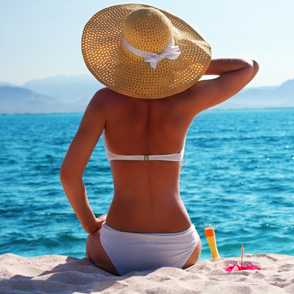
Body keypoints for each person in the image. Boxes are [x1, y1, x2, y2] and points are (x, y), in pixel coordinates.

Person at [60, 3, 258, 276]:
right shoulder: (185, 99)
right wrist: (183, 64)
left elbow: (69, 174)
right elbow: (247, 67)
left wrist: (91, 226)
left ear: (121, 52)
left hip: (119, 246)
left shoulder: (104, 101)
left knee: (93, 240)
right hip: (180, 245)